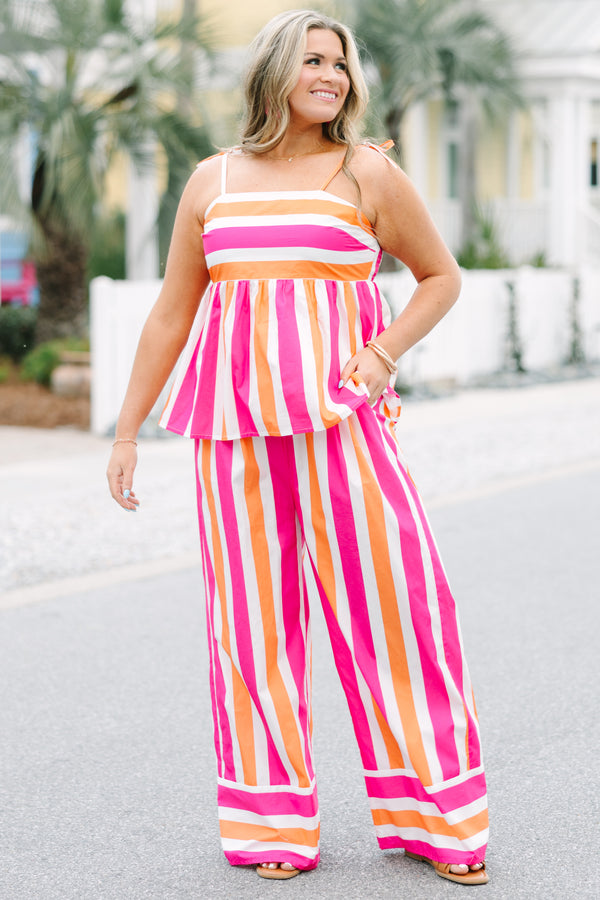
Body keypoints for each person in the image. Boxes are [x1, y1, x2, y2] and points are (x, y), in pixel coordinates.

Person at [107, 9, 489, 886]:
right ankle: (272, 824)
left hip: (344, 426)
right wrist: (128, 430)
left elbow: (441, 277)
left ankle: (440, 821)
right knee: (250, 633)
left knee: (397, 617)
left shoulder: (369, 173)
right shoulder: (212, 181)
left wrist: (382, 351)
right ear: (275, 70)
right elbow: (173, 311)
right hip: (232, 438)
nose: (333, 76)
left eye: (342, 65)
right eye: (314, 59)